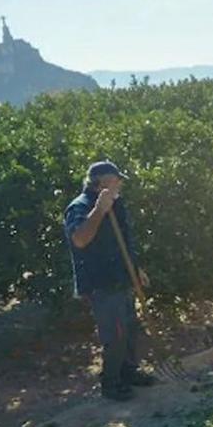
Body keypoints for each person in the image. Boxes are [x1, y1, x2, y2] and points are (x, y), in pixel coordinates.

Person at [63, 160, 153, 400]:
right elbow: (80, 239)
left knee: (131, 328)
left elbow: (122, 242)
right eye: (116, 180)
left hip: (122, 278)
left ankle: (129, 372)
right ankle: (111, 383)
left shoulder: (116, 204)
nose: (120, 184)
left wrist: (135, 269)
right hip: (101, 283)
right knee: (115, 335)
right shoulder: (80, 207)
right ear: (101, 183)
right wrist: (99, 211)